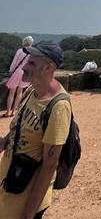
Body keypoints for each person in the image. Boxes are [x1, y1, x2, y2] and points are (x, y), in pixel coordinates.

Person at [0, 43, 72, 219]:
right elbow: (19, 131)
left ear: (48, 68)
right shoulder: (32, 91)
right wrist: (3, 141)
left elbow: (49, 166)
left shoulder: (58, 107)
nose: (24, 66)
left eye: (31, 63)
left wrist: (28, 214)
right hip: (10, 183)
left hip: (24, 194)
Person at [3, 36, 34, 118]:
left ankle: (8, 112)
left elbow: (14, 62)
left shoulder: (20, 51)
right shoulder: (33, 52)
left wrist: (11, 71)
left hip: (17, 72)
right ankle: (14, 111)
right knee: (20, 92)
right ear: (31, 43)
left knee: (12, 92)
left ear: (24, 42)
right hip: (26, 73)